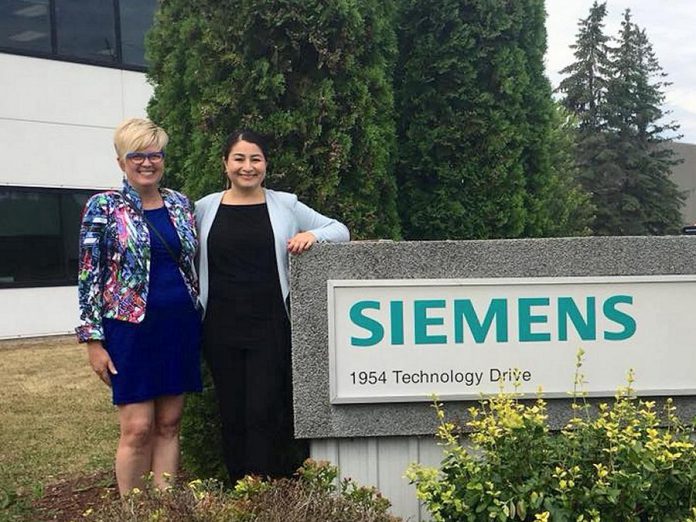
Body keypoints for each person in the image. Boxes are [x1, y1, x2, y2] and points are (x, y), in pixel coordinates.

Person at [195, 130, 349, 483]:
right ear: (225, 163)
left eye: (255, 159)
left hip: (269, 326)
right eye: (239, 159)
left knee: (263, 411)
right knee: (231, 412)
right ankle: (239, 490)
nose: (247, 167)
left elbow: (339, 229)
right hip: (219, 326)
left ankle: (263, 490)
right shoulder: (204, 208)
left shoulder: (285, 205)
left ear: (266, 164)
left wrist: (313, 235)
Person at [75, 118, 202, 495]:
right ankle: (134, 510)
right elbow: (88, 275)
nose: (147, 163)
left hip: (179, 325)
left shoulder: (180, 204)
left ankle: (163, 508)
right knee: (137, 428)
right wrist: (93, 341)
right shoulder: (104, 206)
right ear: (121, 162)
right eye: (137, 156)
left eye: (154, 154)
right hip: (130, 331)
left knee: (169, 424)